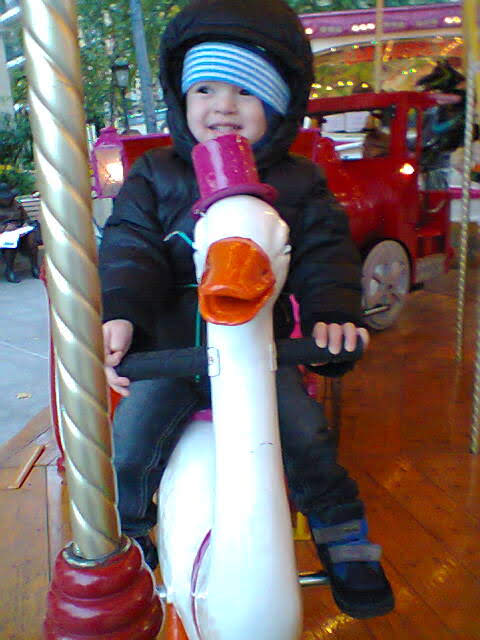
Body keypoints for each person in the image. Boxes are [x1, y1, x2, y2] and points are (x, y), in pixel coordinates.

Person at [98, 0, 394, 620]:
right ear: (182, 98)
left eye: (246, 91)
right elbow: (130, 247)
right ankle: (130, 536)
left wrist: (333, 313)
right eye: (205, 89)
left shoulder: (299, 182)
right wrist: (123, 312)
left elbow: (324, 252)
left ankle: (342, 535)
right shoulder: (155, 175)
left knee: (308, 438)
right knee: (129, 443)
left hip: (260, 354)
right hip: (172, 352)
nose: (223, 107)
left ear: (281, 105)